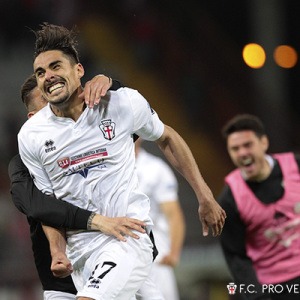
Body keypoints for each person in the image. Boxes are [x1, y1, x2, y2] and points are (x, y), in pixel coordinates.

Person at [18, 23, 225, 300]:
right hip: (79, 256)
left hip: (127, 237)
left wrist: (204, 195)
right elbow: (48, 205)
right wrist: (57, 251)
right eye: (40, 72)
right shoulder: (31, 135)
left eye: (56, 66)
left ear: (79, 70)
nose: (48, 76)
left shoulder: (121, 104)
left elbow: (167, 138)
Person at [9, 74, 131, 300]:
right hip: (61, 285)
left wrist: (110, 82)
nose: (58, 103)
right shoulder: (21, 165)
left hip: (113, 261)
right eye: (47, 103)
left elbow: (131, 117)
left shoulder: (95, 142)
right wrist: (97, 221)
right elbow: (41, 207)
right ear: (33, 118)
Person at [219, 114, 300, 300]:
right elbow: (236, 257)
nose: (242, 153)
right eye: (235, 148)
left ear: (264, 142)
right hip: (272, 286)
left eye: (247, 145)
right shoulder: (229, 200)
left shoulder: (297, 166)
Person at [135, 139, 185, 300]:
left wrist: (174, 252)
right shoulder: (105, 167)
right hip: (117, 243)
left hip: (154, 248)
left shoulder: (155, 169)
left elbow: (173, 214)